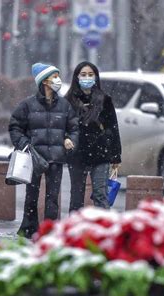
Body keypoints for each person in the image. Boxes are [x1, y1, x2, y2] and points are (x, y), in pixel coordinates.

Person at [9, 63, 79, 239]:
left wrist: (71, 139)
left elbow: (74, 128)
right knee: (31, 195)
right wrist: (24, 144)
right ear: (45, 81)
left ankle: (49, 230)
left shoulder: (65, 105)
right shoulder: (27, 105)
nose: (58, 80)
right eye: (55, 77)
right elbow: (15, 126)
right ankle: (28, 229)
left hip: (56, 158)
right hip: (34, 158)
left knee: (52, 197)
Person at [65, 61, 122, 211]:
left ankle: (103, 229)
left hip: (100, 152)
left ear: (96, 77)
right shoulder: (68, 100)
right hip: (77, 153)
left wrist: (116, 156)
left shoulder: (105, 99)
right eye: (83, 74)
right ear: (77, 77)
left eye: (91, 75)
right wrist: (65, 139)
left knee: (100, 195)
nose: (87, 78)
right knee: (76, 197)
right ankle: (74, 231)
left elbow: (113, 127)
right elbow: (63, 126)